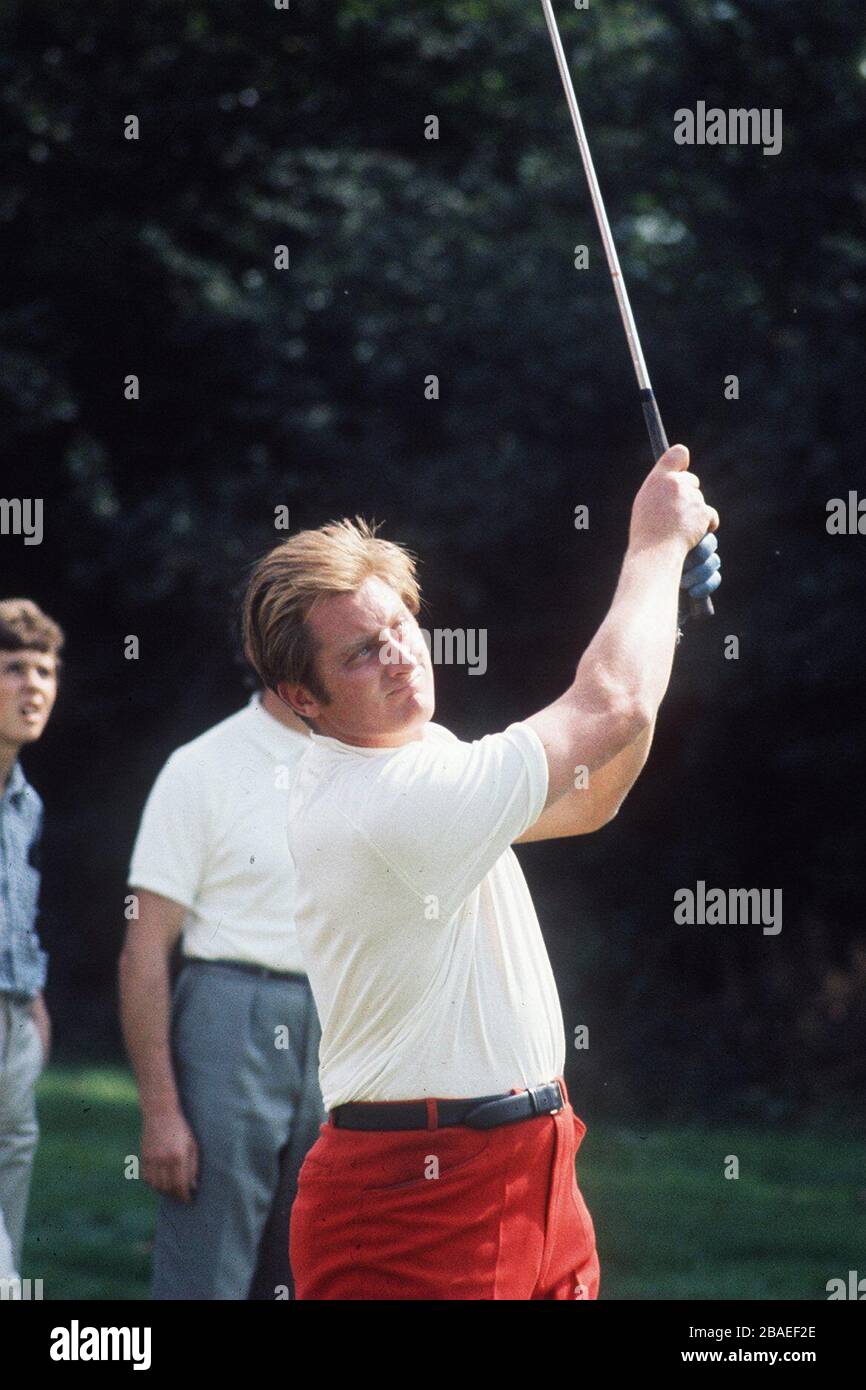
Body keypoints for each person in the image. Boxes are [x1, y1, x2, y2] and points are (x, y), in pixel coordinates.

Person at [241, 444, 721, 1300]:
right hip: (414, 1201)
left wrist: (666, 613)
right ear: (301, 698)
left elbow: (592, 793)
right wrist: (654, 546)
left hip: (535, 1170)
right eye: (361, 653)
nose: (400, 656)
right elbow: (610, 705)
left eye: (401, 628)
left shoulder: (421, 753)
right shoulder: (391, 798)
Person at [119, 686, 324, 1300]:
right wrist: (161, 1113)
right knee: (205, 1281)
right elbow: (144, 951)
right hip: (232, 1018)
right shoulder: (202, 766)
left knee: (311, 1272)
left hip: (341, 1026)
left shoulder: (368, 760)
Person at [0, 599, 63, 1286]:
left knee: (12, 1168)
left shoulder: (27, 802)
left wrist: (34, 995)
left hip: (16, 1018)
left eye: (44, 671)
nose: (34, 686)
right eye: (15, 669)